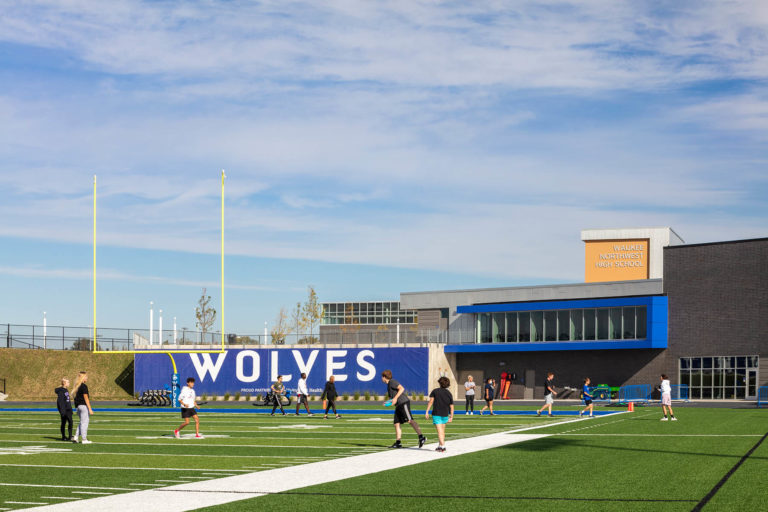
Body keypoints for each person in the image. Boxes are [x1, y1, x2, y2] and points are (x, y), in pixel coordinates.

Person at [382, 369, 426, 449]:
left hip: (403, 403)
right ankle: (398, 442)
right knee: (396, 423)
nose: (382, 378)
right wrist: (388, 402)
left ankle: (421, 437)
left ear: (384, 377)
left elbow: (402, 388)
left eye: (382, 377)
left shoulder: (392, 382)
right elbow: (393, 398)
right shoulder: (388, 385)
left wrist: (395, 398)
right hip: (398, 405)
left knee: (410, 420)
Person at [425, 376, 454, 452]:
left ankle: (443, 446)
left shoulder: (435, 391)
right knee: (442, 431)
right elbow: (452, 406)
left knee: (439, 431)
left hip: (436, 413)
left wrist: (427, 411)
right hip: (445, 414)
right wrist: (451, 416)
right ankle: (440, 445)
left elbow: (430, 402)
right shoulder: (449, 393)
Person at [71, 371, 94, 444]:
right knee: (85, 423)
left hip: (78, 407)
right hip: (83, 406)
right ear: (83, 378)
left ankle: (76, 437)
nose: (87, 378)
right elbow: (86, 398)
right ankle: (84, 439)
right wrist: (90, 409)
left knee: (82, 422)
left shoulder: (76, 386)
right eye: (86, 377)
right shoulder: (83, 386)